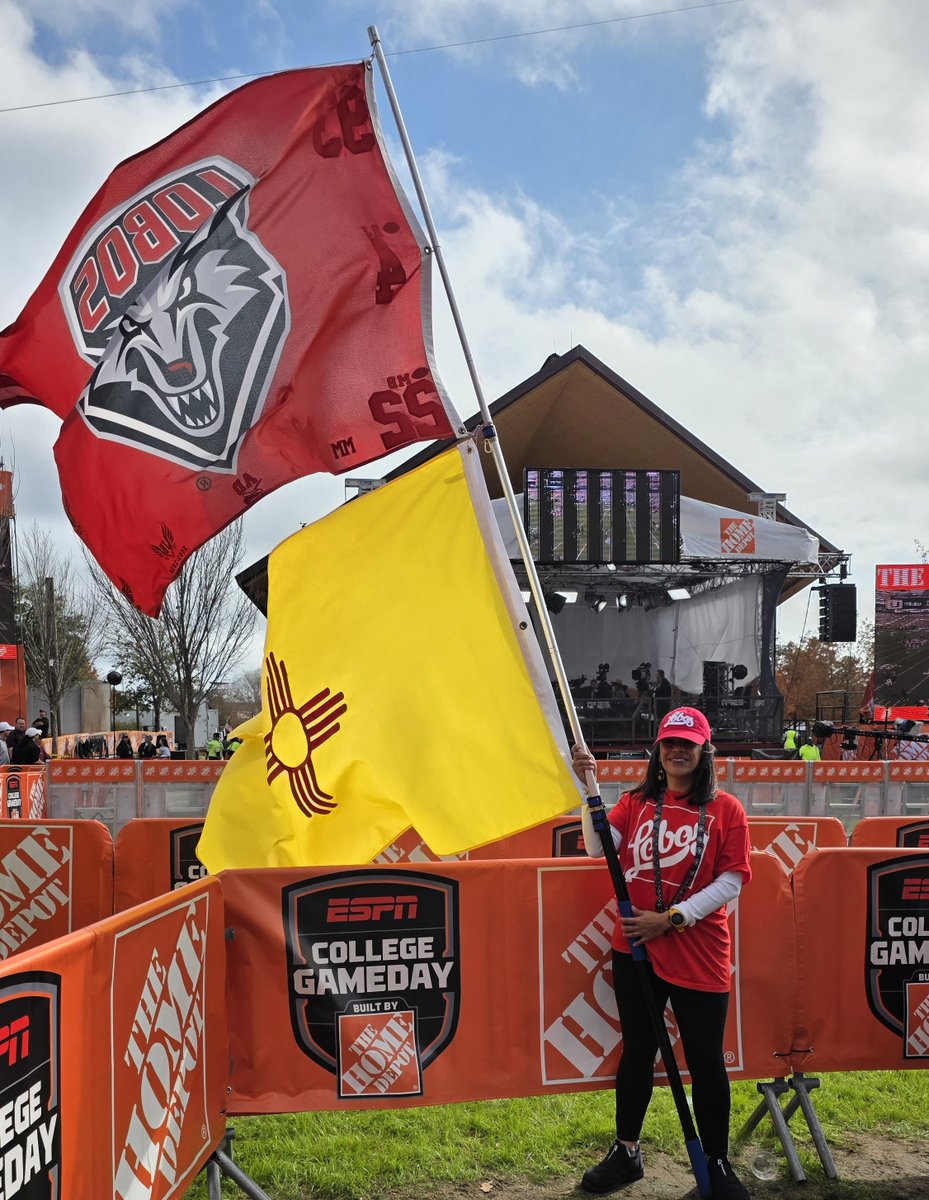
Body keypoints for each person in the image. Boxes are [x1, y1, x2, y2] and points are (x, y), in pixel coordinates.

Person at [572, 707, 751, 1199]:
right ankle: (626, 1152)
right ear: (658, 750)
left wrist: (671, 919)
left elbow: (732, 880)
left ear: (704, 751)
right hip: (635, 951)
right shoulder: (635, 803)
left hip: (700, 950)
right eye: (670, 743)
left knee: (706, 1062)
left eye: (687, 744)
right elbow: (596, 848)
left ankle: (715, 1163)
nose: (677, 751)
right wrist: (586, 788)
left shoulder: (726, 810)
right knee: (638, 1055)